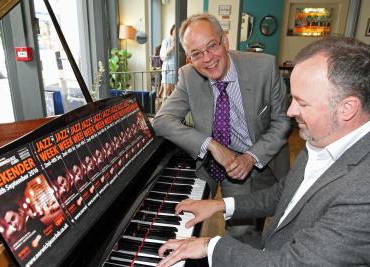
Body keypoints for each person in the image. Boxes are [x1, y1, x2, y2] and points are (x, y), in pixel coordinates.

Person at [156, 36, 370, 266]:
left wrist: (210, 246)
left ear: (347, 108)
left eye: (302, 102)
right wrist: (220, 205)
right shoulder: (321, 142)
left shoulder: (362, 192)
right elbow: (283, 193)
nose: (290, 111)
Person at [152, 13, 290, 240]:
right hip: (221, 160)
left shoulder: (263, 67)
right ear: (189, 58)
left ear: (225, 41)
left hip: (260, 157)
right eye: (196, 54)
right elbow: (162, 120)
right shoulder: (189, 77)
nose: (207, 59)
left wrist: (250, 157)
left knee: (253, 226)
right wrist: (211, 145)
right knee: (227, 228)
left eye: (212, 46)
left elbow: (282, 122)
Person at [158, 24, 176, 99]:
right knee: (166, 91)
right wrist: (172, 47)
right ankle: (164, 108)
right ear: (172, 30)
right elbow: (162, 56)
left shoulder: (181, 40)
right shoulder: (166, 41)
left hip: (176, 68)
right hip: (167, 68)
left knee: (176, 91)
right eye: (176, 30)